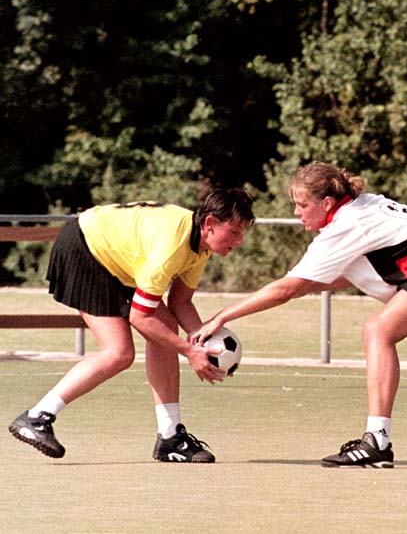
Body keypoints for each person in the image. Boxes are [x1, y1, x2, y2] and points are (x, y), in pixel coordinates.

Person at [191, 161, 407, 468]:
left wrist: (222, 317)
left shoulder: (346, 224)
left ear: (326, 202)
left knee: (377, 331)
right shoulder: (361, 208)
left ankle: (377, 440)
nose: (297, 212)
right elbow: (336, 278)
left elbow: (289, 287)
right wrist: (304, 286)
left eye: (302, 204)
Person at [8, 189, 255, 462]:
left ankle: (170, 437)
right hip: (85, 248)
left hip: (114, 261)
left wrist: (204, 343)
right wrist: (189, 351)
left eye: (242, 233)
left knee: (166, 330)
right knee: (119, 352)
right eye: (234, 232)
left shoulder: (200, 247)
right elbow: (141, 318)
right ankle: (37, 416)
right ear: (209, 223)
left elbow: (181, 302)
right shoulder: (172, 246)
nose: (240, 241)